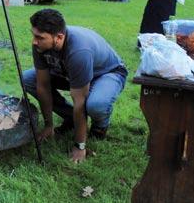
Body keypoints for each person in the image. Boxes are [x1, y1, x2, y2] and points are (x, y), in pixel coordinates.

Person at [22, 9, 127, 163]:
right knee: (28, 79)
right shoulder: (40, 45)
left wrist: (80, 145)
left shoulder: (79, 51)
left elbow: (80, 101)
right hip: (69, 72)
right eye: (33, 35)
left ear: (59, 37)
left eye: (39, 37)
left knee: (95, 105)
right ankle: (70, 117)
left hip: (106, 73)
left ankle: (100, 126)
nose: (34, 41)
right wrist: (48, 125)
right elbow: (42, 85)